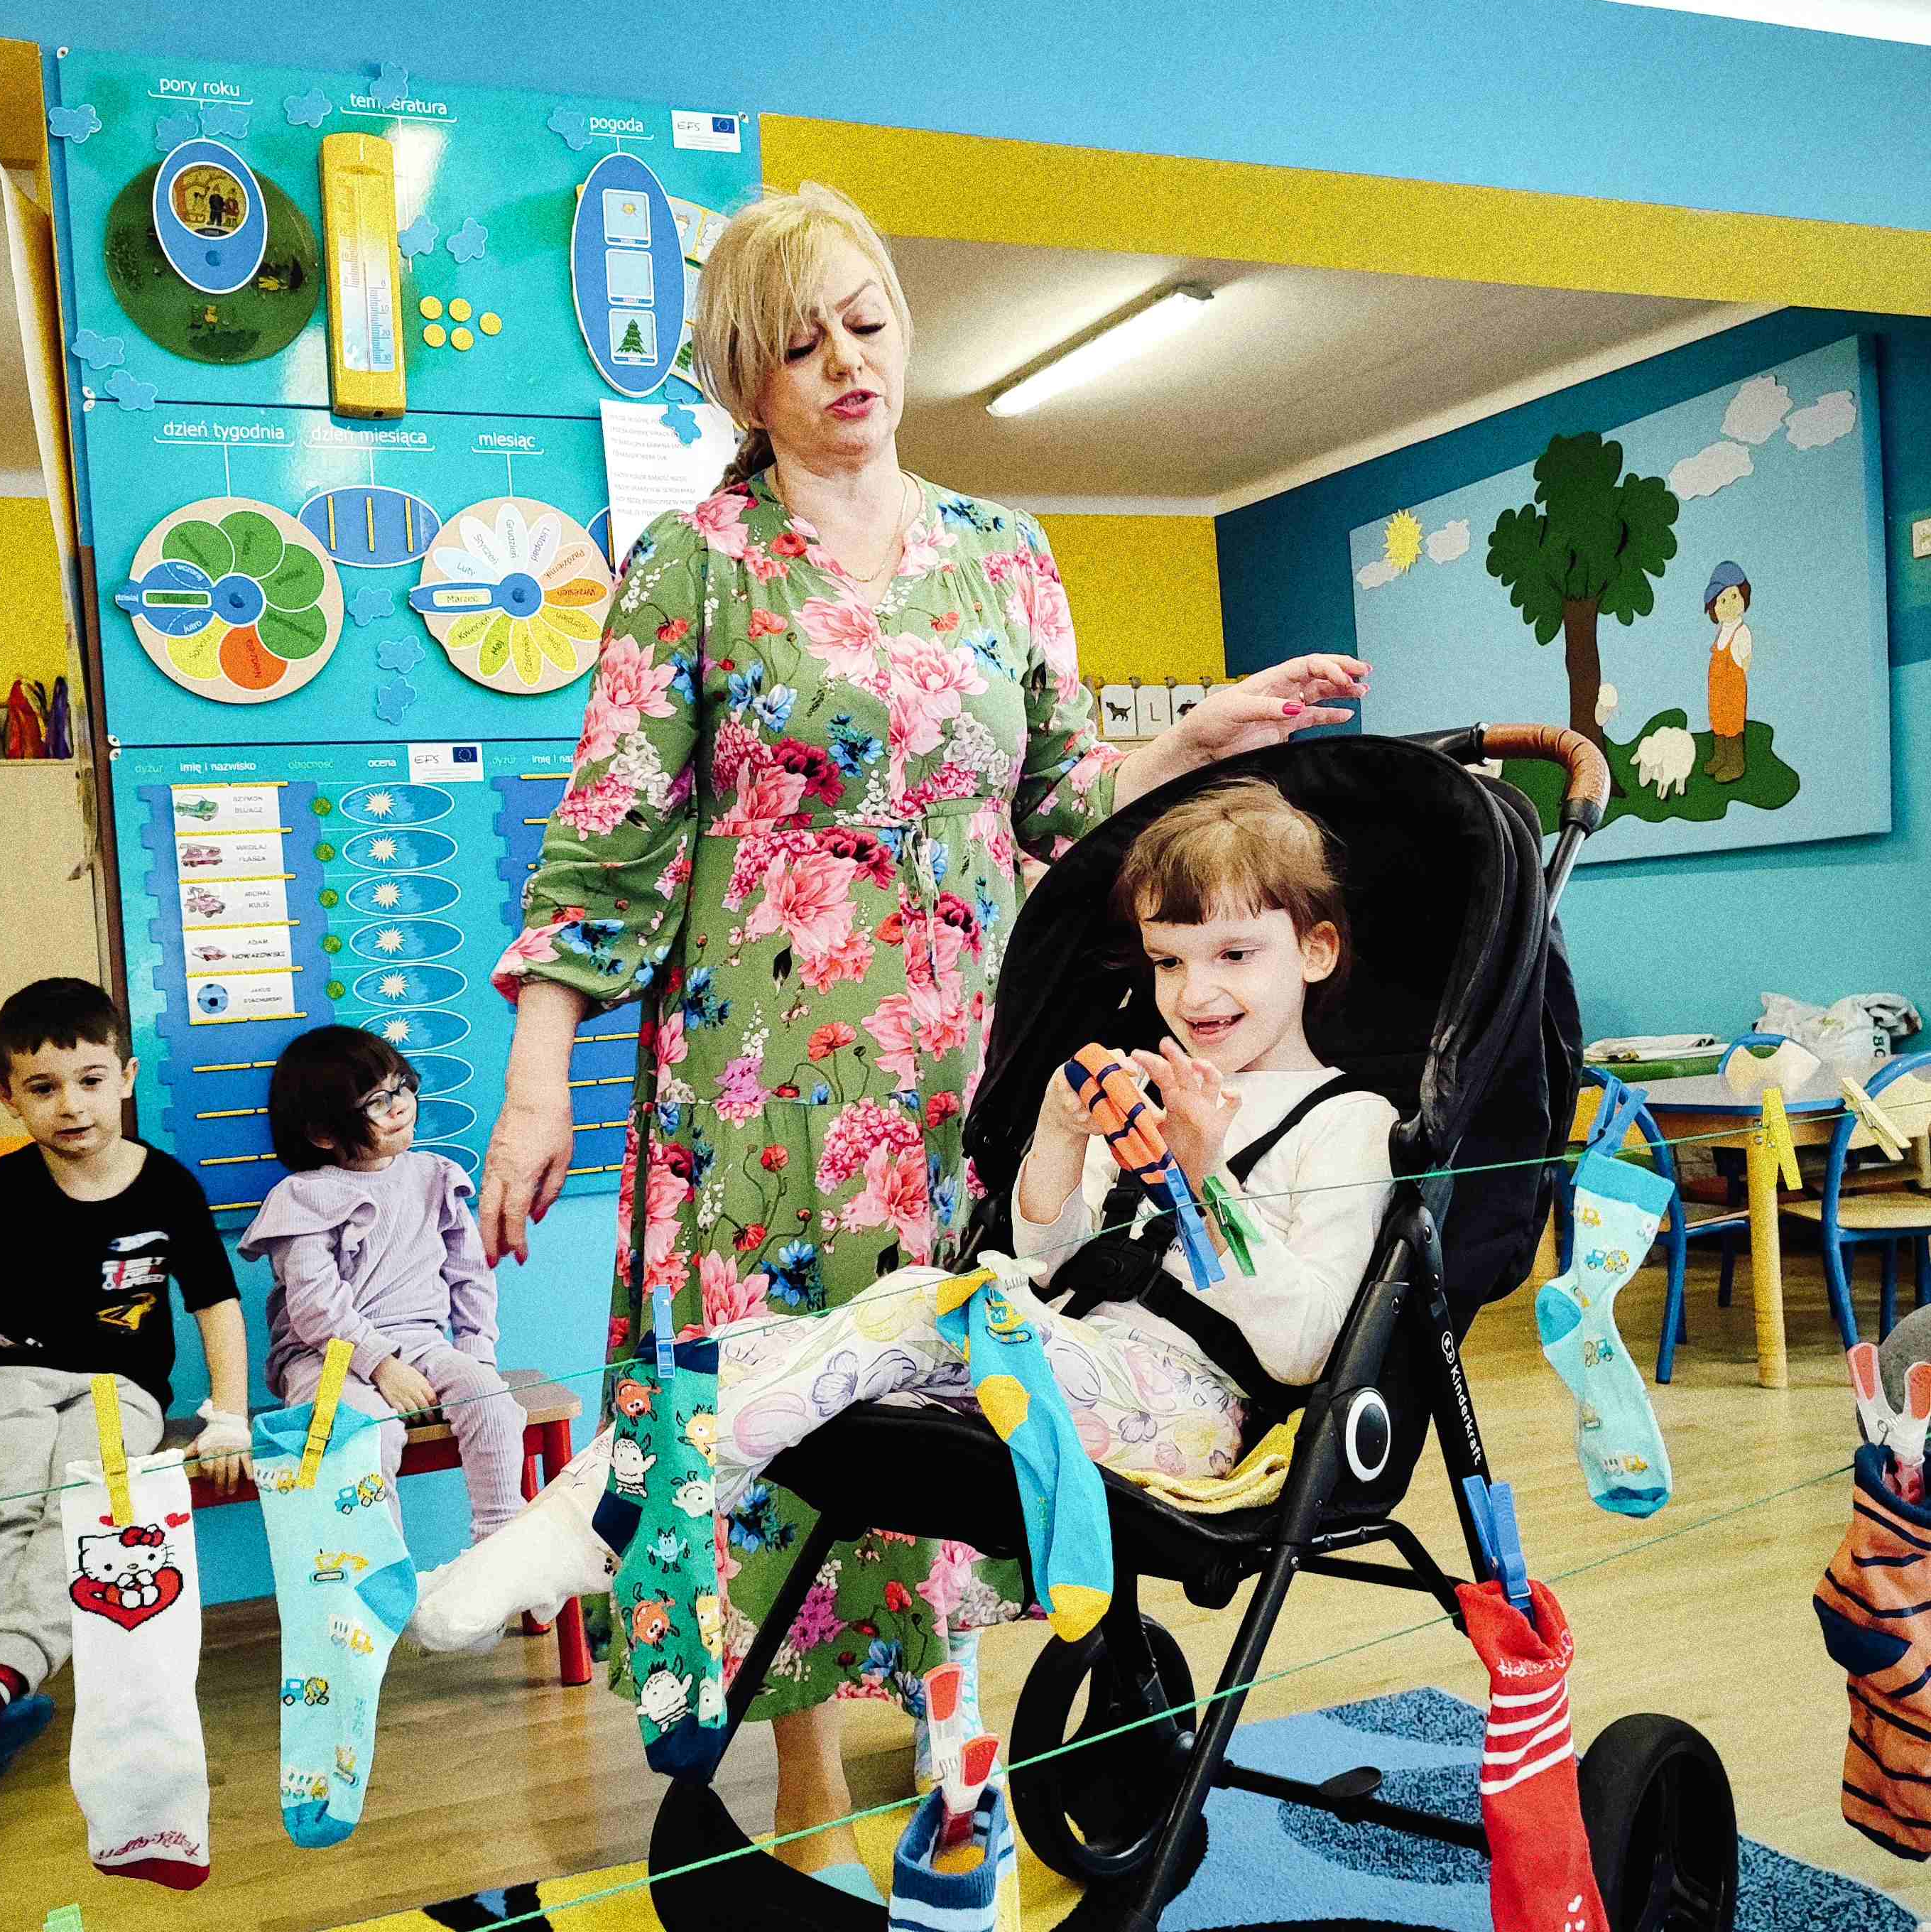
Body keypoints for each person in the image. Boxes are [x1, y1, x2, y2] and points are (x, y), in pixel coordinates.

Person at [473, 178, 1368, 1882]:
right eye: (796, 343)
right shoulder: (694, 563)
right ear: (743, 381)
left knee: (958, 1377)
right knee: (787, 1389)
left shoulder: (1000, 551)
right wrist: (534, 1089)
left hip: (968, 1064)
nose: (845, 364)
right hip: (762, 1083)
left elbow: (1061, 806)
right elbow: (603, 849)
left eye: (867, 322)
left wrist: (1189, 743)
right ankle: (806, 1786)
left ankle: (950, 1751)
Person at [420, 781, 1395, 1840]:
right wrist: (1060, 1141)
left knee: (923, 1300)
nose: (1196, 991)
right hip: (1080, 1361)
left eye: (1235, 955)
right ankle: (593, 1515)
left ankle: (597, 1522)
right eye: (1168, 961)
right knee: (763, 1338)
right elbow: (1055, 1262)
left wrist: (1209, 1183)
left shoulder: (1348, 1120)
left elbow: (1303, 1348)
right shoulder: (1157, 1084)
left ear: (1316, 951)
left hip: (1194, 1420)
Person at [0, 979, 251, 1779]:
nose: (72, 1105)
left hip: (121, 1390)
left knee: (83, 1507)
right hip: (9, 1375)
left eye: (90, 1080)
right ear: (6, 1097)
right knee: (1, 1501)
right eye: (43, 1088)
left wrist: (229, 1418)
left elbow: (217, 1307)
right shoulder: (4, 1189)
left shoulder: (169, 1186)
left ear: (127, 1076)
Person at [239, 1026, 526, 1543]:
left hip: (422, 1344)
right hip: (324, 1360)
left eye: (401, 1086)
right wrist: (381, 1366)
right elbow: (315, 1307)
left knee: (490, 1397)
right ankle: (381, 1570)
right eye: (376, 1102)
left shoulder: (435, 1176)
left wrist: (476, 1353)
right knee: (362, 1434)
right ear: (323, 1134)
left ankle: (503, 1540)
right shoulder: (301, 1197)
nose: (399, 1106)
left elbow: (471, 1277)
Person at [1703, 562, 1753, 783]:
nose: (1730, 605)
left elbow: (1745, 662)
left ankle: (1735, 763)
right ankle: (1720, 757)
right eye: (1723, 601)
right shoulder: (1722, 631)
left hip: (1733, 689)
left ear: (1744, 596)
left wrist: (1735, 683)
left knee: (1732, 724)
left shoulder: (1741, 632)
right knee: (1719, 721)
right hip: (1718, 690)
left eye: (1734, 597)